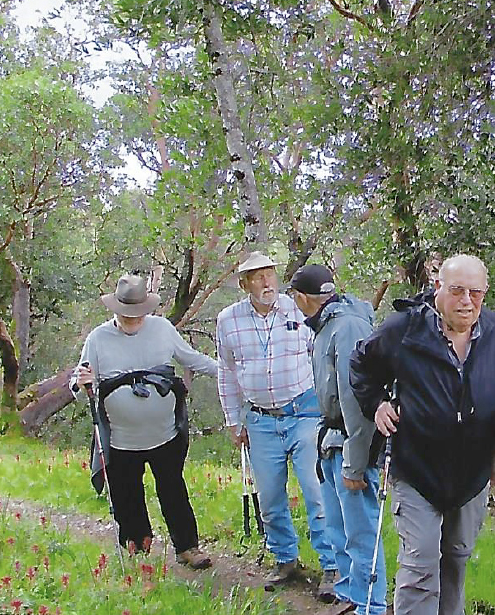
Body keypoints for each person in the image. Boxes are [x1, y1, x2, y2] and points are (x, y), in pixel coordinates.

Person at [349, 254, 495, 615]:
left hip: (472, 472)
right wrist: (377, 404)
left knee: (456, 557)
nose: (467, 301)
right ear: (438, 287)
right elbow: (361, 364)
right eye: (457, 291)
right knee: (421, 559)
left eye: (476, 293)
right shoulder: (404, 329)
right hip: (416, 467)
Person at [73, 273, 217, 570]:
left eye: (138, 314)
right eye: (127, 314)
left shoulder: (162, 329)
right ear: (116, 309)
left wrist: (230, 374)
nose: (133, 320)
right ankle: (138, 549)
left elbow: (193, 359)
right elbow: (78, 385)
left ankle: (187, 548)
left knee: (173, 490)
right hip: (121, 439)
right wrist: (82, 383)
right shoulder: (98, 339)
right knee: (127, 496)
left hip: (165, 434)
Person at [216, 251, 337, 598]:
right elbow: (226, 371)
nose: (267, 282)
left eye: (270, 274)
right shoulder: (228, 320)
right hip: (260, 419)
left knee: (316, 492)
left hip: (304, 413)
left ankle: (331, 566)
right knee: (270, 498)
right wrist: (232, 419)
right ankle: (286, 560)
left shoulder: (298, 309)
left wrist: (330, 407)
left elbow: (324, 352)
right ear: (244, 284)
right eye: (257, 277)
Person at [289, 264, 387, 615]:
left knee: (361, 532)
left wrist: (355, 462)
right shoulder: (328, 326)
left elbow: (355, 398)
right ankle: (351, 594)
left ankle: (371, 605)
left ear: (302, 298)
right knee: (338, 528)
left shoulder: (346, 327)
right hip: (332, 438)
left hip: (350, 441)